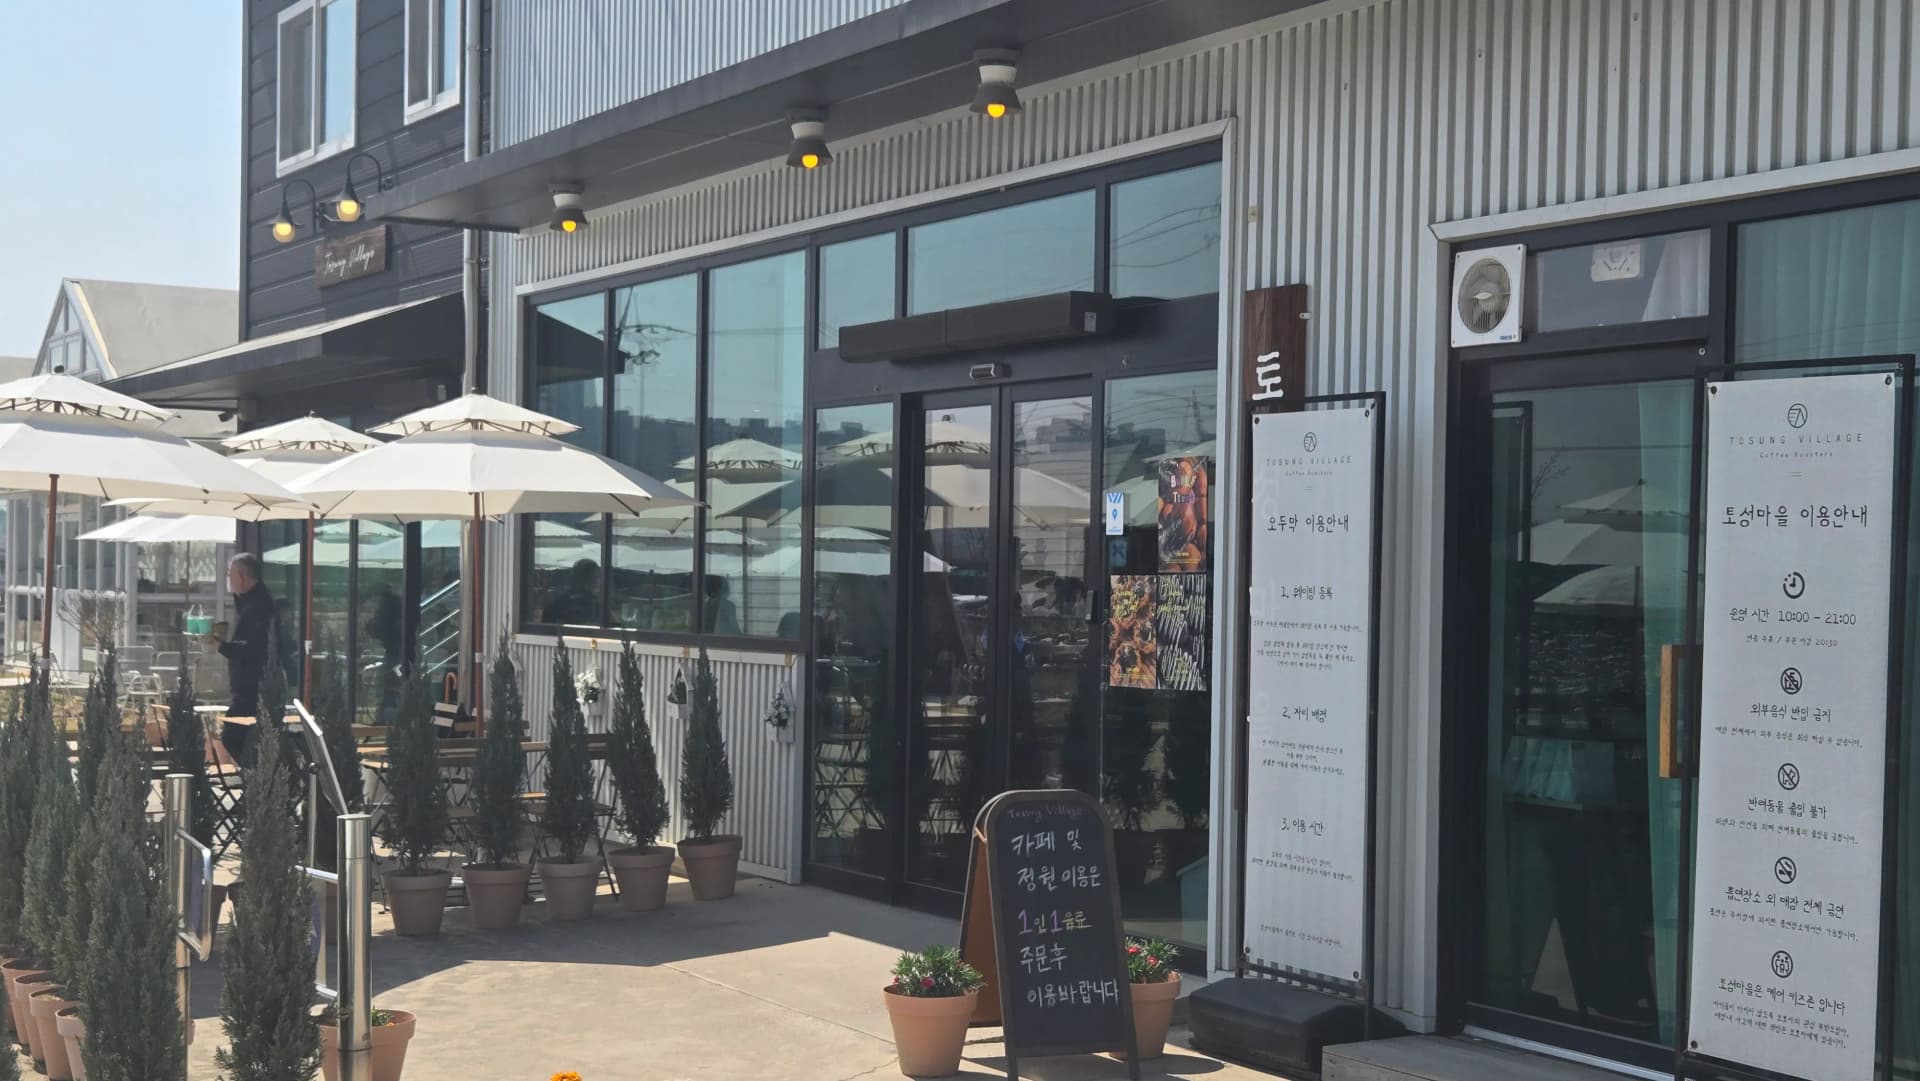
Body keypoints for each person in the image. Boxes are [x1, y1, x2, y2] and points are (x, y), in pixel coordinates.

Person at [215, 551, 279, 765]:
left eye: (230, 575)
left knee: (233, 737)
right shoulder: (250, 602)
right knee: (241, 738)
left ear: (243, 577)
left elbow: (251, 649)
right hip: (247, 686)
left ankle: (256, 782)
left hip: (253, 687)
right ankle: (255, 782)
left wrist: (221, 646)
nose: (228, 579)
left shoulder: (259, 606)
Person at [542, 559, 600, 625]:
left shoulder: (595, 603)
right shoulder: (562, 604)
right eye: (594, 577)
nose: (597, 582)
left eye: (597, 577)